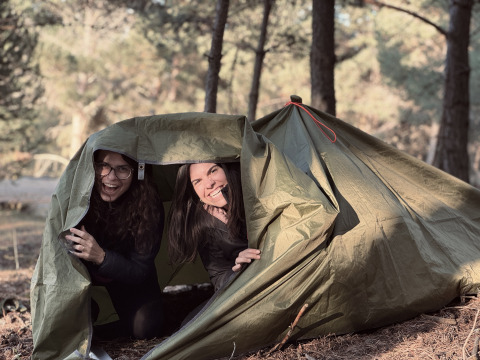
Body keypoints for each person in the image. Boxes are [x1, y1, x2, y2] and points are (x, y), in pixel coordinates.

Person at [63, 150, 164, 340]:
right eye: (103, 166)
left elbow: (140, 270)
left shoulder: (148, 205)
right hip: (82, 280)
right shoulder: (77, 197)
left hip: (128, 278)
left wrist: (101, 257)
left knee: (145, 329)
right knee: (67, 322)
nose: (111, 177)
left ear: (137, 173)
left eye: (123, 169)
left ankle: (107, 329)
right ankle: (90, 309)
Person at [167, 162, 261, 292]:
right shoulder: (205, 224)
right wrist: (238, 271)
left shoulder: (260, 193)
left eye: (213, 171)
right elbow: (219, 277)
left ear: (227, 168)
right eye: (197, 181)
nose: (209, 184)